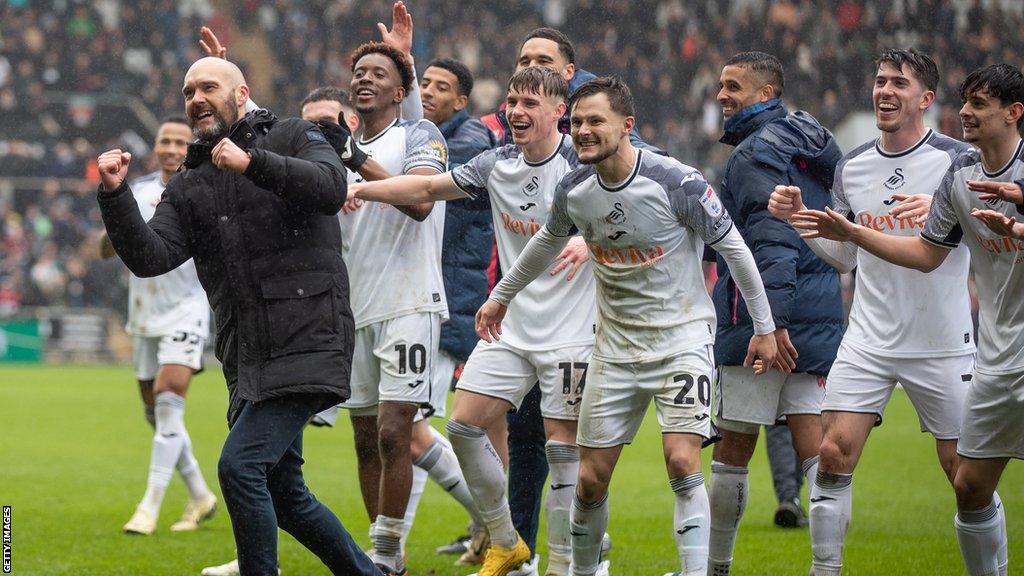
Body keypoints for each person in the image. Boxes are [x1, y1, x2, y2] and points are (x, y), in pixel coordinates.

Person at [476, 76, 779, 576]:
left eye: (596, 121)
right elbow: (546, 243)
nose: (584, 131)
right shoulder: (574, 189)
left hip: (681, 340)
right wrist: (500, 297)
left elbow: (734, 250)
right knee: (590, 480)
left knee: (682, 463)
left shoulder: (676, 181)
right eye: (577, 123)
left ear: (627, 126)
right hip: (614, 349)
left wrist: (762, 327)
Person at [96, 57, 378, 576]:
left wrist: (252, 163)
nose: (195, 98)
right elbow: (152, 257)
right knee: (285, 494)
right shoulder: (190, 180)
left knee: (240, 466)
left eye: (208, 86)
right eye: (187, 91)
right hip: (248, 352)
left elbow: (330, 187)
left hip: (309, 335)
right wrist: (115, 198)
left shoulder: (295, 134)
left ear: (241, 92)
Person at [350, 66, 596, 576]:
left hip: (573, 331)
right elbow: (426, 190)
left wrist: (586, 242)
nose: (517, 111)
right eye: (512, 101)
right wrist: (356, 186)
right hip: (512, 326)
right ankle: (505, 541)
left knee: (562, 451)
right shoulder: (495, 162)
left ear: (559, 113)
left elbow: (633, 205)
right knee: (462, 426)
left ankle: (564, 567)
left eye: (530, 102)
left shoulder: (584, 166)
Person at [789, 62, 1024, 576]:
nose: (886, 92)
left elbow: (945, 241)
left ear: (925, 98)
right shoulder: (850, 166)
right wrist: (807, 225)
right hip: (868, 338)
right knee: (832, 453)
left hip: (942, 340)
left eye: (899, 83)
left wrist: (942, 212)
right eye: (879, 81)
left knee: (962, 475)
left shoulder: (961, 161)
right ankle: (823, 570)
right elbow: (848, 256)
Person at [706, 51, 844, 575]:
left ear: (765, 94)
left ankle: (715, 567)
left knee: (733, 449)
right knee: (819, 455)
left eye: (733, 86)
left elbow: (772, 240)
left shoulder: (752, 156)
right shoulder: (812, 144)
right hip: (817, 316)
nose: (722, 95)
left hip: (763, 323)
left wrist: (770, 324)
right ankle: (827, 568)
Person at [338, 40, 449, 576]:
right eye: (359, 72)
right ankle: (389, 557)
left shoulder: (418, 135)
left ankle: (383, 556)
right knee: (363, 439)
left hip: (409, 300)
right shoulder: (338, 148)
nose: (365, 79)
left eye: (378, 73)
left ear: (400, 92)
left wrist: (357, 162)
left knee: (392, 433)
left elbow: (422, 203)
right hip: (356, 307)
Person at [105, 116, 217, 537]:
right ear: (155, 147)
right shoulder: (139, 190)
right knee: (157, 417)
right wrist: (111, 210)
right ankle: (201, 495)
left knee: (169, 401)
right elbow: (110, 244)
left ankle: (148, 508)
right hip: (144, 314)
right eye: (165, 141)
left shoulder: (205, 190)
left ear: (192, 147)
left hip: (187, 309)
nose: (171, 148)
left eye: (180, 142)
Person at [417, 57, 498, 565]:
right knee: (405, 425)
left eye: (439, 86)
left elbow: (426, 186)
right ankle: (491, 523)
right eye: (422, 82)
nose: (427, 91)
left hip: (448, 301)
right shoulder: (433, 134)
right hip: (433, 296)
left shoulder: (467, 141)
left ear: (461, 101)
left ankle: (502, 521)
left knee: (405, 426)